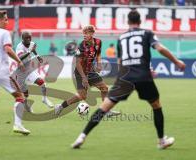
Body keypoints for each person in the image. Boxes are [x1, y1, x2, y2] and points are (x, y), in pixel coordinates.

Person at [71, 10, 186, 149]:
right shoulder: (147, 33)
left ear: (128, 22)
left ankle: (81, 137)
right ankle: (162, 141)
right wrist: (176, 61)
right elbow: (160, 48)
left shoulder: (122, 38)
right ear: (140, 21)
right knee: (156, 106)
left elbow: (121, 62)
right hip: (143, 76)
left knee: (104, 107)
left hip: (126, 77)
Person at [54, 25, 120, 117]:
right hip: (80, 72)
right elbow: (77, 63)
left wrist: (99, 63)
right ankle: (61, 106)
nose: (84, 35)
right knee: (82, 96)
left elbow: (98, 53)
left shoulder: (98, 42)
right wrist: (84, 77)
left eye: (86, 33)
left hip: (90, 70)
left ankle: (106, 111)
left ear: (92, 33)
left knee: (104, 88)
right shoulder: (82, 46)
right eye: (83, 33)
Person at [15, 31, 54, 110]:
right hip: (20, 71)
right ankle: (26, 105)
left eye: (30, 37)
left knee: (42, 83)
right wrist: (30, 51)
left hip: (28, 68)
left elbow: (33, 50)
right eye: (27, 38)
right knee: (25, 93)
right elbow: (20, 57)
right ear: (22, 39)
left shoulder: (32, 43)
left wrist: (38, 57)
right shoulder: (20, 46)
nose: (29, 39)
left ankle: (44, 99)